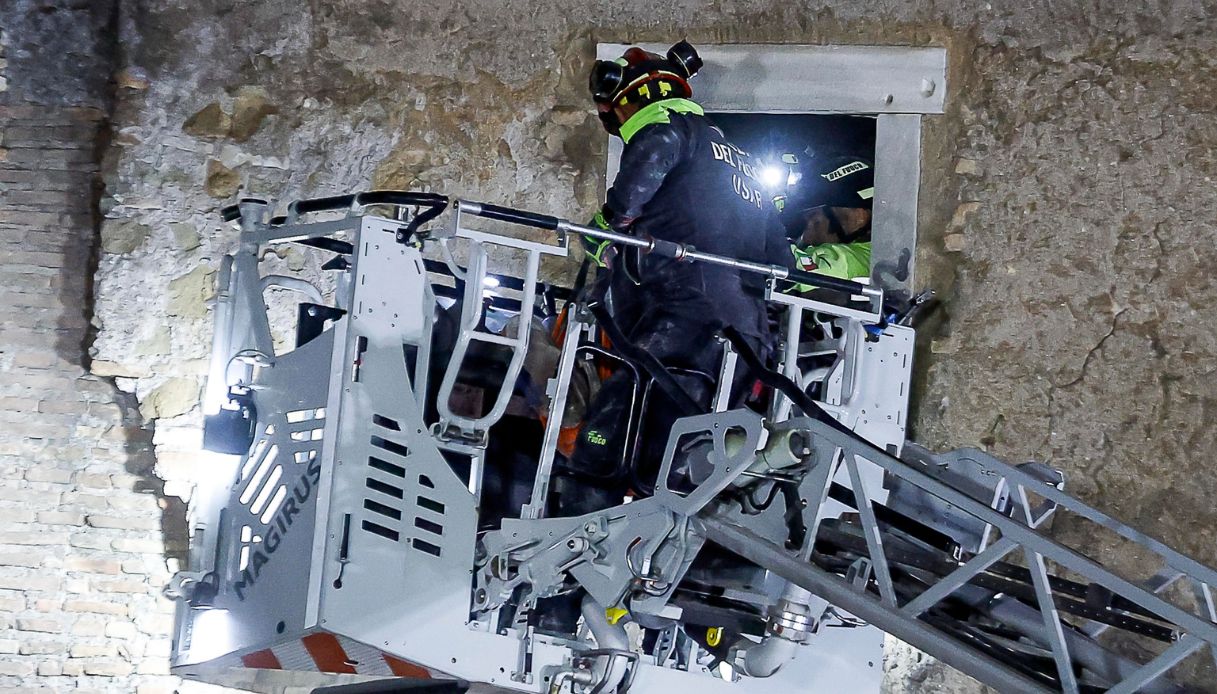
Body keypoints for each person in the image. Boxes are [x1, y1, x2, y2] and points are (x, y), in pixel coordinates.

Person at [558, 41, 791, 509]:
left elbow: (631, 197)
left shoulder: (666, 129)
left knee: (607, 437)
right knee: (685, 454)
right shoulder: (741, 162)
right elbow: (782, 265)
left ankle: (570, 552)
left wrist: (607, 227)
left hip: (685, 320)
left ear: (621, 102)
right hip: (747, 339)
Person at [781, 155, 875, 284]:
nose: (808, 238)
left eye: (815, 220)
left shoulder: (845, 261)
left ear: (859, 217)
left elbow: (786, 268)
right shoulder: (881, 258)